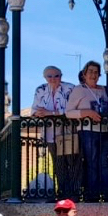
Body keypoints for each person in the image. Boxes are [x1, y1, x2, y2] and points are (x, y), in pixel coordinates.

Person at [65, 60, 108, 201]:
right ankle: (91, 195)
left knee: (105, 163)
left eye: (96, 72)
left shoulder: (104, 89)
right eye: (90, 71)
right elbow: (69, 112)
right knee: (91, 163)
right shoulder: (79, 89)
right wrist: (86, 113)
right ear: (84, 74)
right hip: (88, 131)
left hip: (104, 131)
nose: (93, 75)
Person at [32, 65, 76, 197]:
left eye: (56, 76)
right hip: (50, 133)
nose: (53, 79)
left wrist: (49, 113)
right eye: (49, 76)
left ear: (61, 76)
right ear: (45, 77)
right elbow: (34, 110)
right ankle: (62, 192)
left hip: (67, 132)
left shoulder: (70, 88)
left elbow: (70, 110)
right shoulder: (40, 90)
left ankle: (74, 192)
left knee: (71, 162)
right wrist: (42, 114)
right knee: (58, 164)